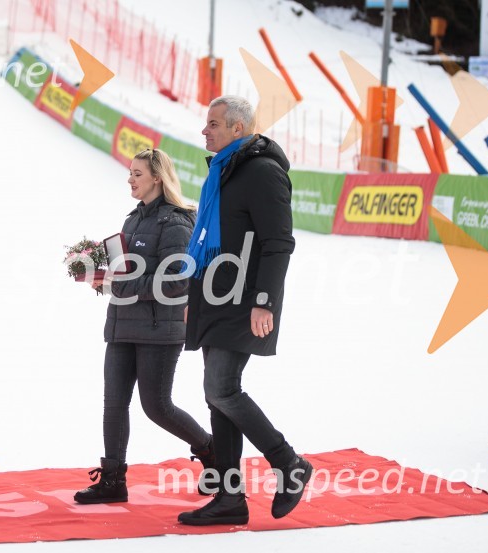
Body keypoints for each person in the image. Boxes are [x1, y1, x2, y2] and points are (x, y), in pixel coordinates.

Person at [177, 96, 312, 525]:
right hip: (214, 296)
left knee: (222, 390)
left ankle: (288, 463)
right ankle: (230, 499)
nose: (205, 131)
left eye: (213, 124)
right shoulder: (223, 172)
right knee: (217, 398)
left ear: (238, 129)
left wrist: (264, 301)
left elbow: (279, 243)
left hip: (244, 300)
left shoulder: (262, 172)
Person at [74, 148, 215, 504]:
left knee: (157, 406)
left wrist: (121, 284)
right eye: (130, 172)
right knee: (114, 404)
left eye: (137, 173)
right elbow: (126, 273)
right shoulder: (132, 220)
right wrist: (101, 277)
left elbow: (176, 281)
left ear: (157, 177)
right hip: (122, 325)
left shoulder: (177, 223)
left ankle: (212, 451)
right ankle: (112, 481)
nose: (130, 179)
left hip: (159, 330)